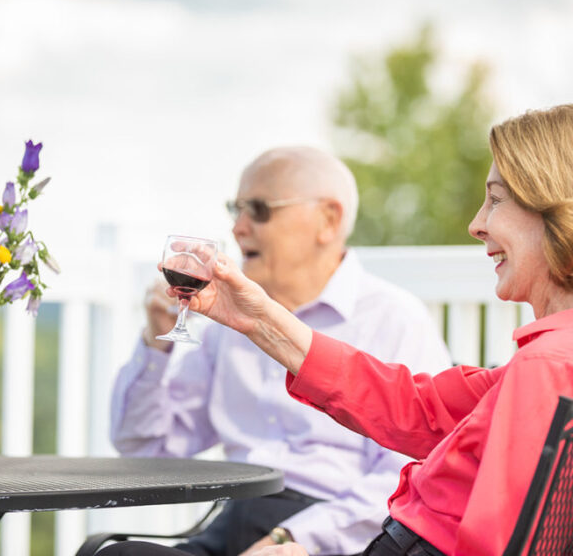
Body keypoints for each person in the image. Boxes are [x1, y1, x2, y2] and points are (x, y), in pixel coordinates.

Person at [154, 104, 573, 556]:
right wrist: (259, 320)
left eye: (495, 199)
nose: (476, 224)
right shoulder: (545, 361)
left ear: (551, 208)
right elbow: (415, 407)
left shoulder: (546, 367)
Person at [103, 146, 451, 556]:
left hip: (332, 542)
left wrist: (295, 539)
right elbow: (145, 445)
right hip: (233, 526)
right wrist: (155, 341)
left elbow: (414, 476)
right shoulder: (227, 324)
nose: (237, 228)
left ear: (328, 220)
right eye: (236, 209)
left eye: (259, 209)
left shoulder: (395, 319)